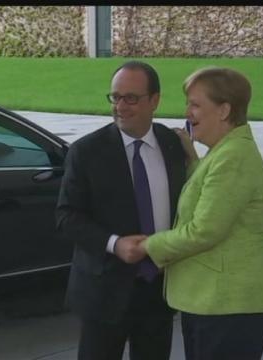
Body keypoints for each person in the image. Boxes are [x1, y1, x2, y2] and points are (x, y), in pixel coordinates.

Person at [131, 67, 263, 360]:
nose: (187, 112)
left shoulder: (233, 157)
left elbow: (205, 229)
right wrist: (192, 159)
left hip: (230, 305)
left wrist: (147, 246)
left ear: (224, 110)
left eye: (195, 104)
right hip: (214, 303)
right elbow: (209, 193)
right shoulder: (223, 152)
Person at [56, 60, 187, 360]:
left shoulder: (172, 144)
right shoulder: (86, 152)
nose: (120, 106)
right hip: (104, 291)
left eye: (131, 98)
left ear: (155, 100)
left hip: (159, 291)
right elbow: (66, 217)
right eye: (115, 97)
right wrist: (115, 244)